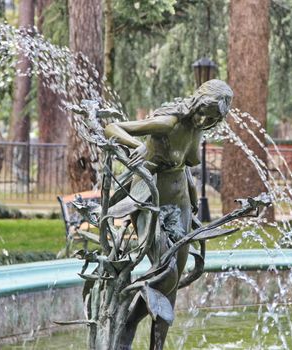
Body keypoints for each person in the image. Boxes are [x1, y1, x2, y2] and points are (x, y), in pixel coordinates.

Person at [104, 79, 233, 349]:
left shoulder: (199, 128)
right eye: (203, 113)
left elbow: (185, 166)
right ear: (197, 103)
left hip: (182, 205)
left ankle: (157, 346)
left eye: (211, 119)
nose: (203, 121)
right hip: (150, 201)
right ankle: (127, 324)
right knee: (167, 272)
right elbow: (111, 128)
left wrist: (194, 196)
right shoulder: (168, 123)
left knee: (171, 286)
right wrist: (135, 146)